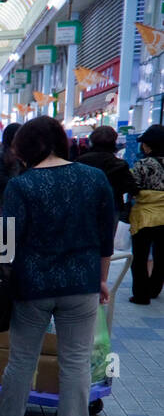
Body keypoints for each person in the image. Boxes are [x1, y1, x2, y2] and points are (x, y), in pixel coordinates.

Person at [0, 116, 115, 416]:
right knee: (76, 364)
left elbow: (4, 239)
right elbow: (106, 237)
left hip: (33, 288)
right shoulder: (95, 179)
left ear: (26, 149)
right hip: (82, 285)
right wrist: (101, 279)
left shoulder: (23, 185)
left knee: (21, 361)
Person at [127, 123, 164, 303]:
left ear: (148, 145)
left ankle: (141, 295)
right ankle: (155, 289)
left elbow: (133, 188)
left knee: (140, 257)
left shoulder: (142, 164)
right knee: (161, 256)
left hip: (145, 216)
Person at [77, 125, 134, 226]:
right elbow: (129, 186)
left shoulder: (81, 161)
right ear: (114, 142)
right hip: (112, 206)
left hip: (85, 206)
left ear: (92, 141)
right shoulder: (119, 164)